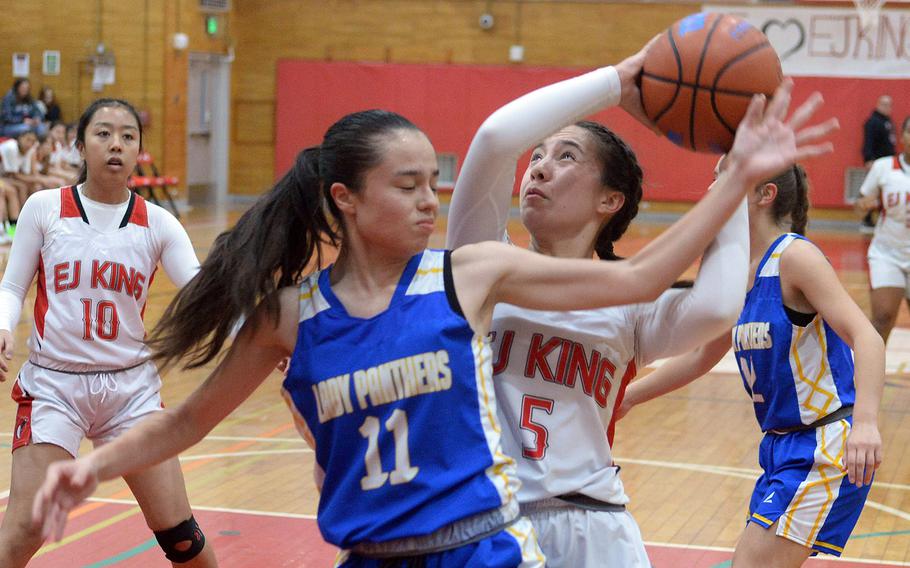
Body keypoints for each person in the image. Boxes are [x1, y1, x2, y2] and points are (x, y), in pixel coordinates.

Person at [31, 76, 834, 566]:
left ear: (609, 199)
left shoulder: (473, 274)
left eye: (433, 185)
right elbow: (185, 422)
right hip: (375, 550)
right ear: (346, 199)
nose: (432, 202)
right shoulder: (308, 311)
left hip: (502, 539)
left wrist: (732, 182)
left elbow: (660, 280)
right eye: (410, 185)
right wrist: (89, 468)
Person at [445, 52, 751, 566]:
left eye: (565, 157)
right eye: (537, 155)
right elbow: (498, 139)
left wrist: (734, 177)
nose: (539, 166)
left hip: (595, 527)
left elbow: (719, 306)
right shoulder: (480, 269)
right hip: (489, 524)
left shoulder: (629, 304)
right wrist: (619, 80)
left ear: (610, 201)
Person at [619, 164, 884, 566]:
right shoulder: (739, 269)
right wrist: (627, 397)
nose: (712, 185)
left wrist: (865, 423)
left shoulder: (795, 257)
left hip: (823, 444)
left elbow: (867, 337)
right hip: (779, 447)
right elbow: (699, 357)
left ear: (766, 194)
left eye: (727, 175)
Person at [0, 98, 217, 567]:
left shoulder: (158, 223)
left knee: (183, 539)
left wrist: (259, 326)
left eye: (127, 135)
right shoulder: (44, 208)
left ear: (139, 149)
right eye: (102, 133)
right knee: (23, 531)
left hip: (129, 389)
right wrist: (2, 326)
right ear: (80, 145)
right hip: (55, 384)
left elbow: (203, 290)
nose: (115, 144)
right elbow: (14, 284)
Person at [856, 116, 910, 344]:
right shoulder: (883, 167)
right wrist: (864, 205)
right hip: (888, 253)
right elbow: (859, 205)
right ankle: (869, 376)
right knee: (882, 319)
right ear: (902, 136)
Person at [859, 95, 896, 234]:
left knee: (885, 191)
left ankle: (883, 218)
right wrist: (869, 159)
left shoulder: (887, 121)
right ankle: (867, 219)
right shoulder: (873, 122)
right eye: (886, 105)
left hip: (888, 162)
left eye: (890, 105)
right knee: (871, 191)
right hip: (877, 163)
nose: (888, 108)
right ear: (879, 104)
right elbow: (868, 143)